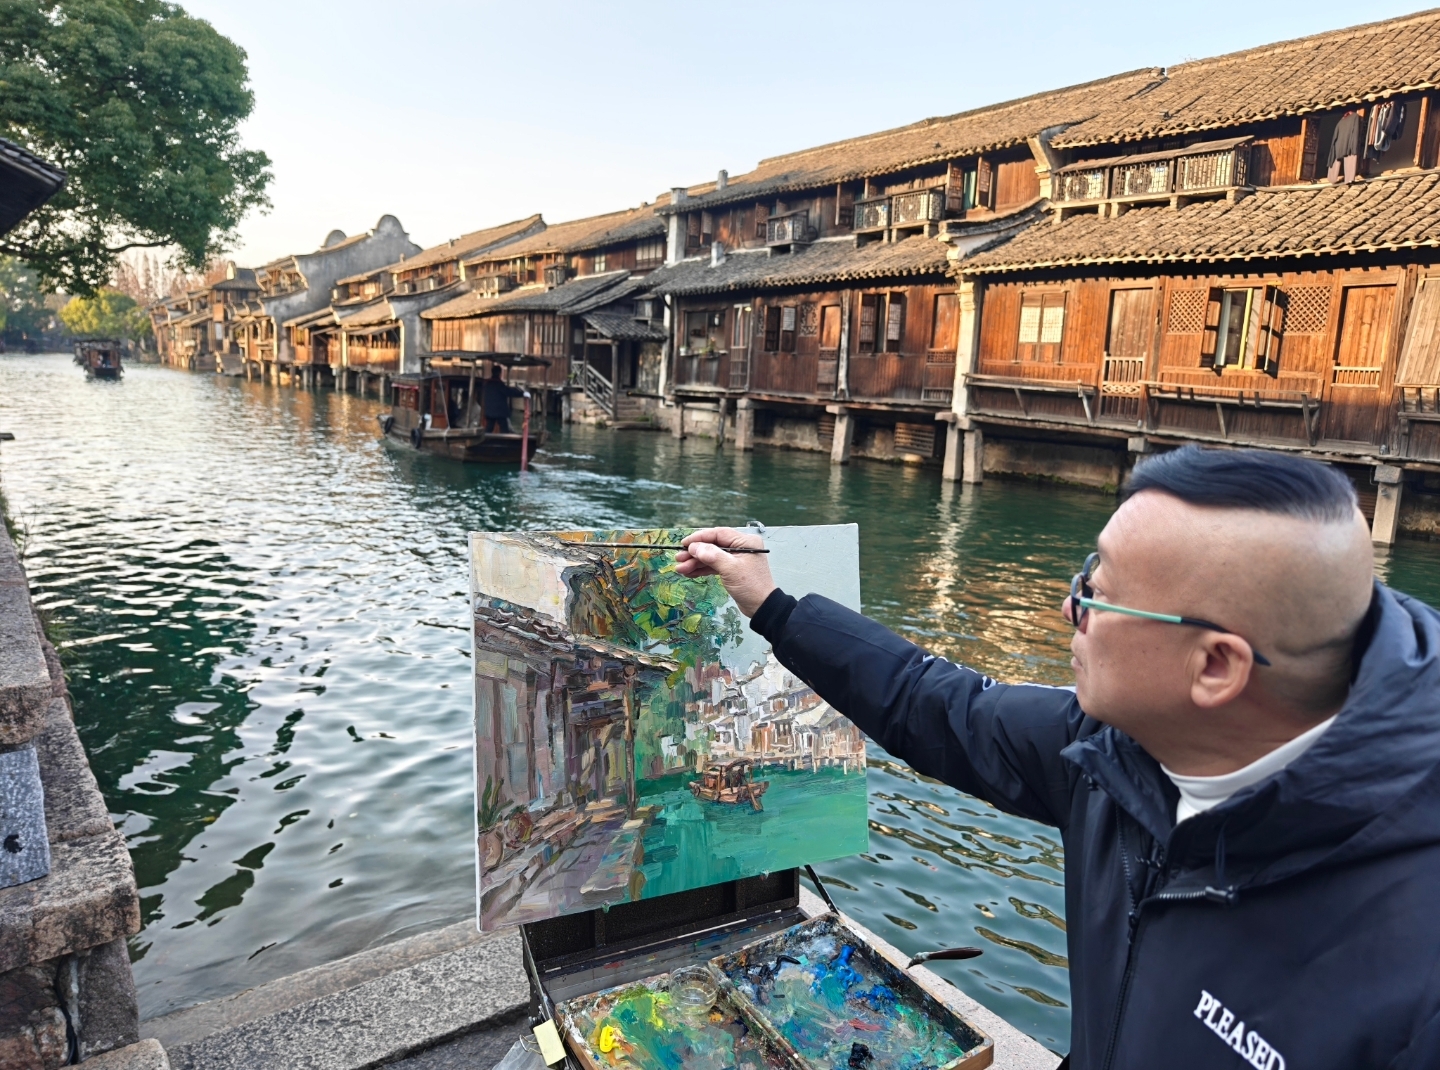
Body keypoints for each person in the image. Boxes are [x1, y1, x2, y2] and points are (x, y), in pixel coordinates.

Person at [675, 445, 1440, 1070]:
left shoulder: (1413, 966)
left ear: (1216, 668)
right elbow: (934, 701)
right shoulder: (1114, 749)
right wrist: (773, 606)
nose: (1067, 608)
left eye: (1095, 594)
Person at [481, 364, 527, 433]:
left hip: (489, 411)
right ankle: (505, 440)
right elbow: (509, 392)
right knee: (504, 428)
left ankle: (485, 439)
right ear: (500, 373)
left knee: (489, 428)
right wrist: (522, 393)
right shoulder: (499, 384)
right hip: (500, 412)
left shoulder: (487, 384)